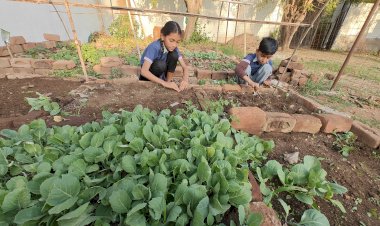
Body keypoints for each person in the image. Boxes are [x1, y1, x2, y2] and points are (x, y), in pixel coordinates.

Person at [140, 21, 189, 92]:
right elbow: (144, 71)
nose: (174, 45)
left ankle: (169, 81)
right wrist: (164, 83)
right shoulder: (154, 47)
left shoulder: (174, 48)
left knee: (174, 55)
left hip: (161, 74)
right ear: (162, 36)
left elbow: (185, 67)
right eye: (171, 40)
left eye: (177, 42)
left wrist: (185, 80)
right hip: (147, 76)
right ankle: (162, 82)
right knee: (160, 65)